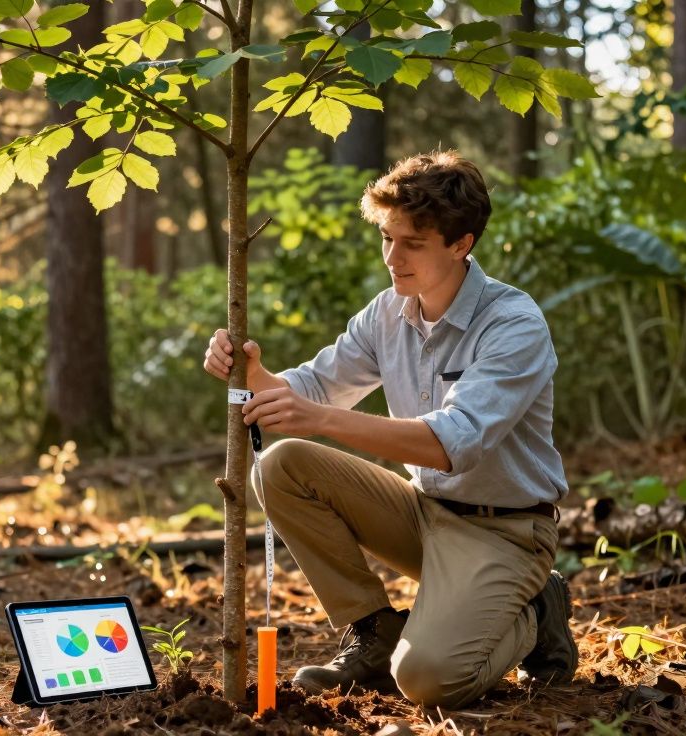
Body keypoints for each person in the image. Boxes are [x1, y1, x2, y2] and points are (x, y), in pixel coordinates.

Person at [202, 151, 576, 709]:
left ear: (461, 243)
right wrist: (253, 373)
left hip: (507, 533)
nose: (392, 257)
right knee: (283, 465)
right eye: (387, 237)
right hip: (424, 514)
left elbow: (453, 442)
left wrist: (320, 419)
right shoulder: (387, 312)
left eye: (413, 243)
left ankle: (535, 610)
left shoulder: (512, 323)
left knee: (428, 680)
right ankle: (374, 633)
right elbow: (316, 387)